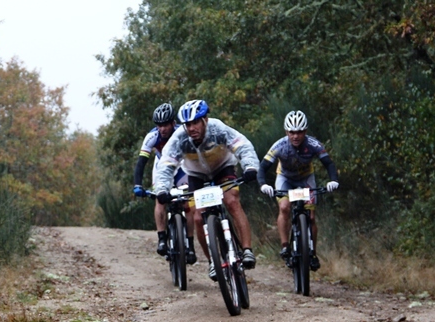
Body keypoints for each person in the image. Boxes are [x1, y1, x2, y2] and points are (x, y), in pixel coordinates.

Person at [153, 99, 259, 281]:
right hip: (196, 175)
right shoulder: (180, 138)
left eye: (195, 122)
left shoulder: (218, 128)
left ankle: (247, 250)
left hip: (223, 168)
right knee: (197, 216)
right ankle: (213, 262)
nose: (191, 128)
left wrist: (250, 167)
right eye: (187, 124)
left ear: (205, 120)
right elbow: (167, 163)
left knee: (232, 201)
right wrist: (162, 188)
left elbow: (242, 145)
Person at [257, 110, 339, 271]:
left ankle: (313, 253)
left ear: (305, 131)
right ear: (286, 131)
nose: (296, 136)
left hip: (306, 178)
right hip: (285, 179)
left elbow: (328, 163)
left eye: (300, 132)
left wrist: (333, 180)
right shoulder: (279, 146)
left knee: (312, 216)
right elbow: (263, 167)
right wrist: (263, 184)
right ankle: (285, 246)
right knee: (284, 207)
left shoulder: (313, 144)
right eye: (292, 132)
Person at [133, 103, 197, 264]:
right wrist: (137, 185)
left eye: (165, 124)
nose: (162, 129)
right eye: (159, 125)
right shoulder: (152, 137)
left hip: (182, 165)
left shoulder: (182, 133)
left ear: (173, 123)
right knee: (160, 198)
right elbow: (141, 162)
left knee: (188, 203)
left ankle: (190, 244)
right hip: (162, 167)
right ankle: (162, 238)